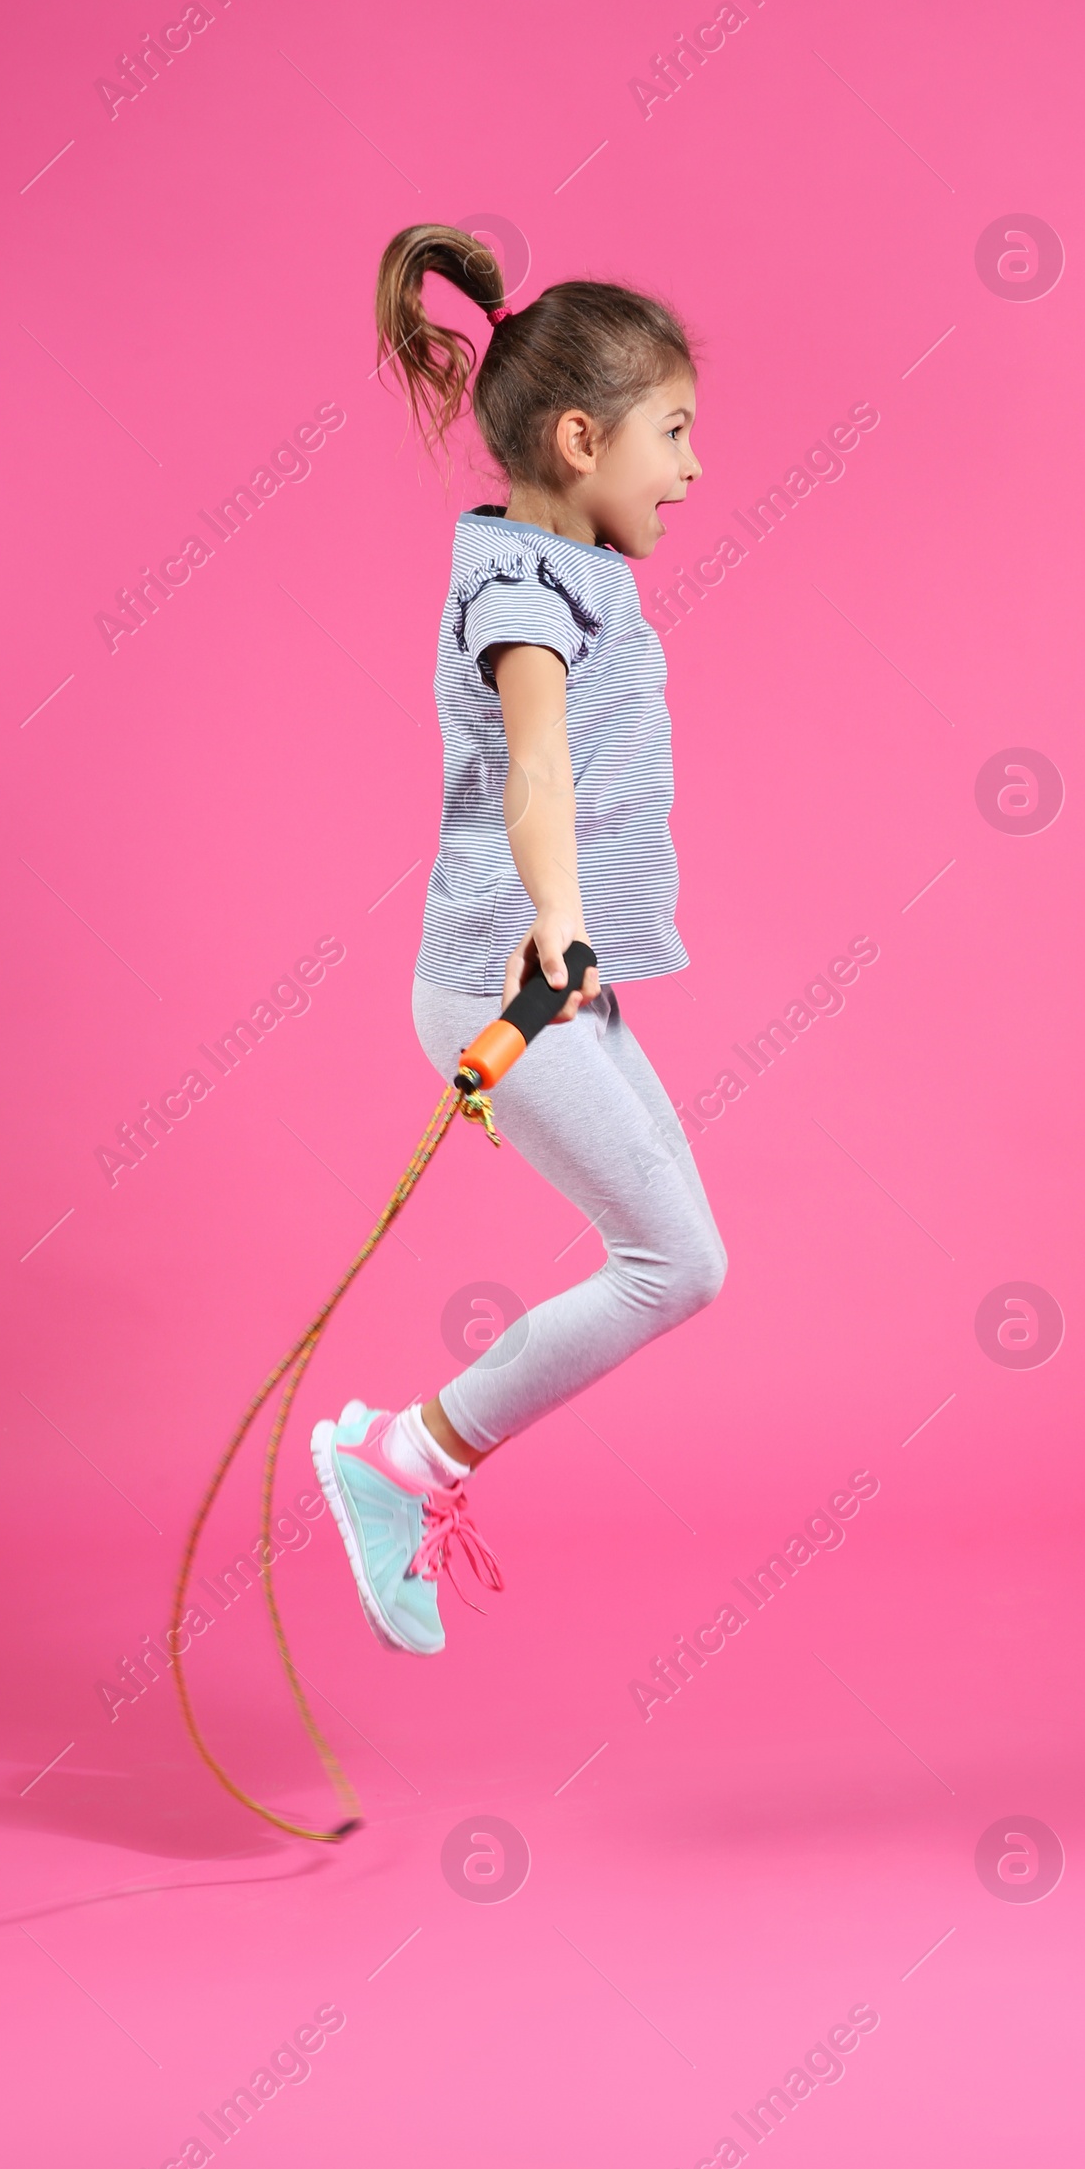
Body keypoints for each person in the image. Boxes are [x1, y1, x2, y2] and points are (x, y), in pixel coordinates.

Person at [311, 225, 727, 1657]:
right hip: (511, 973)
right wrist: (556, 922)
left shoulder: (575, 573)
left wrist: (575, 946)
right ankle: (402, 1456)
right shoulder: (520, 591)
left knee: (686, 1256)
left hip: (559, 979)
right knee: (675, 1262)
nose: (688, 464)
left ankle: (408, 1456)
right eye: (670, 432)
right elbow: (536, 766)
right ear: (577, 436)